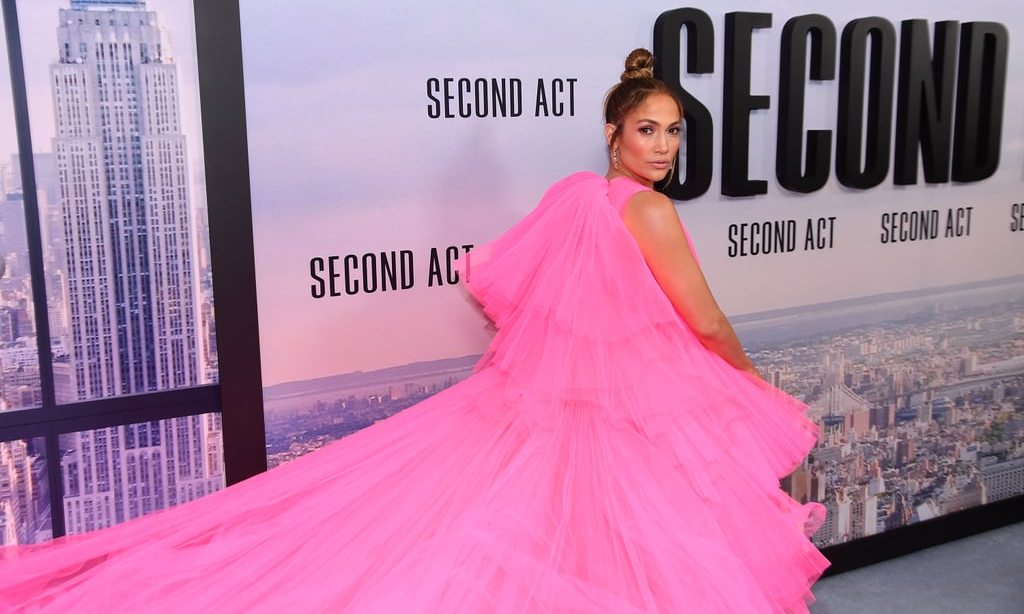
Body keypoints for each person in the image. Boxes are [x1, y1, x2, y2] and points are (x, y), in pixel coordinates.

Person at [0, 48, 828, 612]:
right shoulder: (646, 208)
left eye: (675, 130)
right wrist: (749, 380)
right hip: (629, 417)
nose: (665, 145)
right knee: (640, 556)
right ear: (613, 134)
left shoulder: (579, 194)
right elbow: (707, 320)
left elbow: (510, 284)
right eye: (648, 129)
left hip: (567, 409)